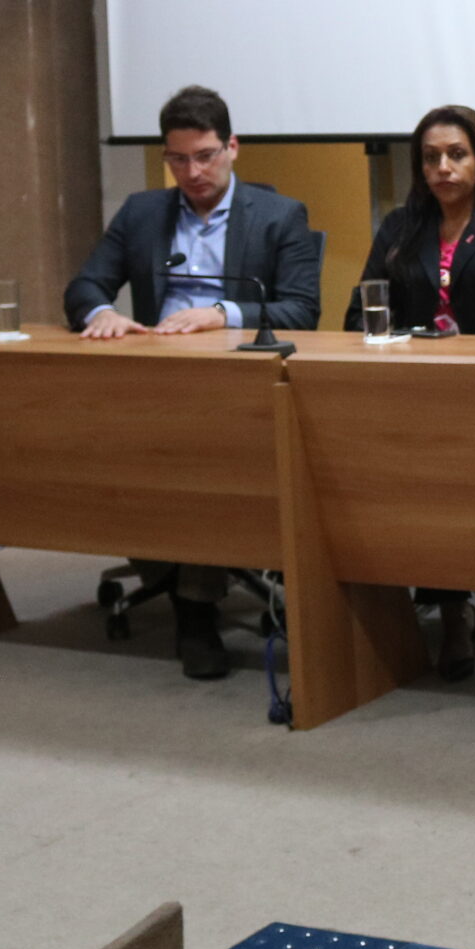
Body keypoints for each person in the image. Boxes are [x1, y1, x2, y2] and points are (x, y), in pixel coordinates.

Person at [62, 83, 323, 679]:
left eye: (205, 156)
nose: (193, 172)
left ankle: (196, 608)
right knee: (102, 456)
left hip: (239, 385)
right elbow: (85, 285)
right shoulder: (141, 212)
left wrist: (220, 314)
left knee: (204, 457)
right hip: (155, 380)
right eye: (178, 160)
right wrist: (101, 313)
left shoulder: (280, 216)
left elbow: (302, 310)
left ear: (232, 148)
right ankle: (174, 578)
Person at [347, 104, 475, 680]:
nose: (443, 167)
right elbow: (359, 313)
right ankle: (383, 601)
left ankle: (453, 607)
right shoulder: (401, 227)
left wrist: (456, 355)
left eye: (456, 154)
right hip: (410, 394)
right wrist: (404, 348)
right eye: (431, 157)